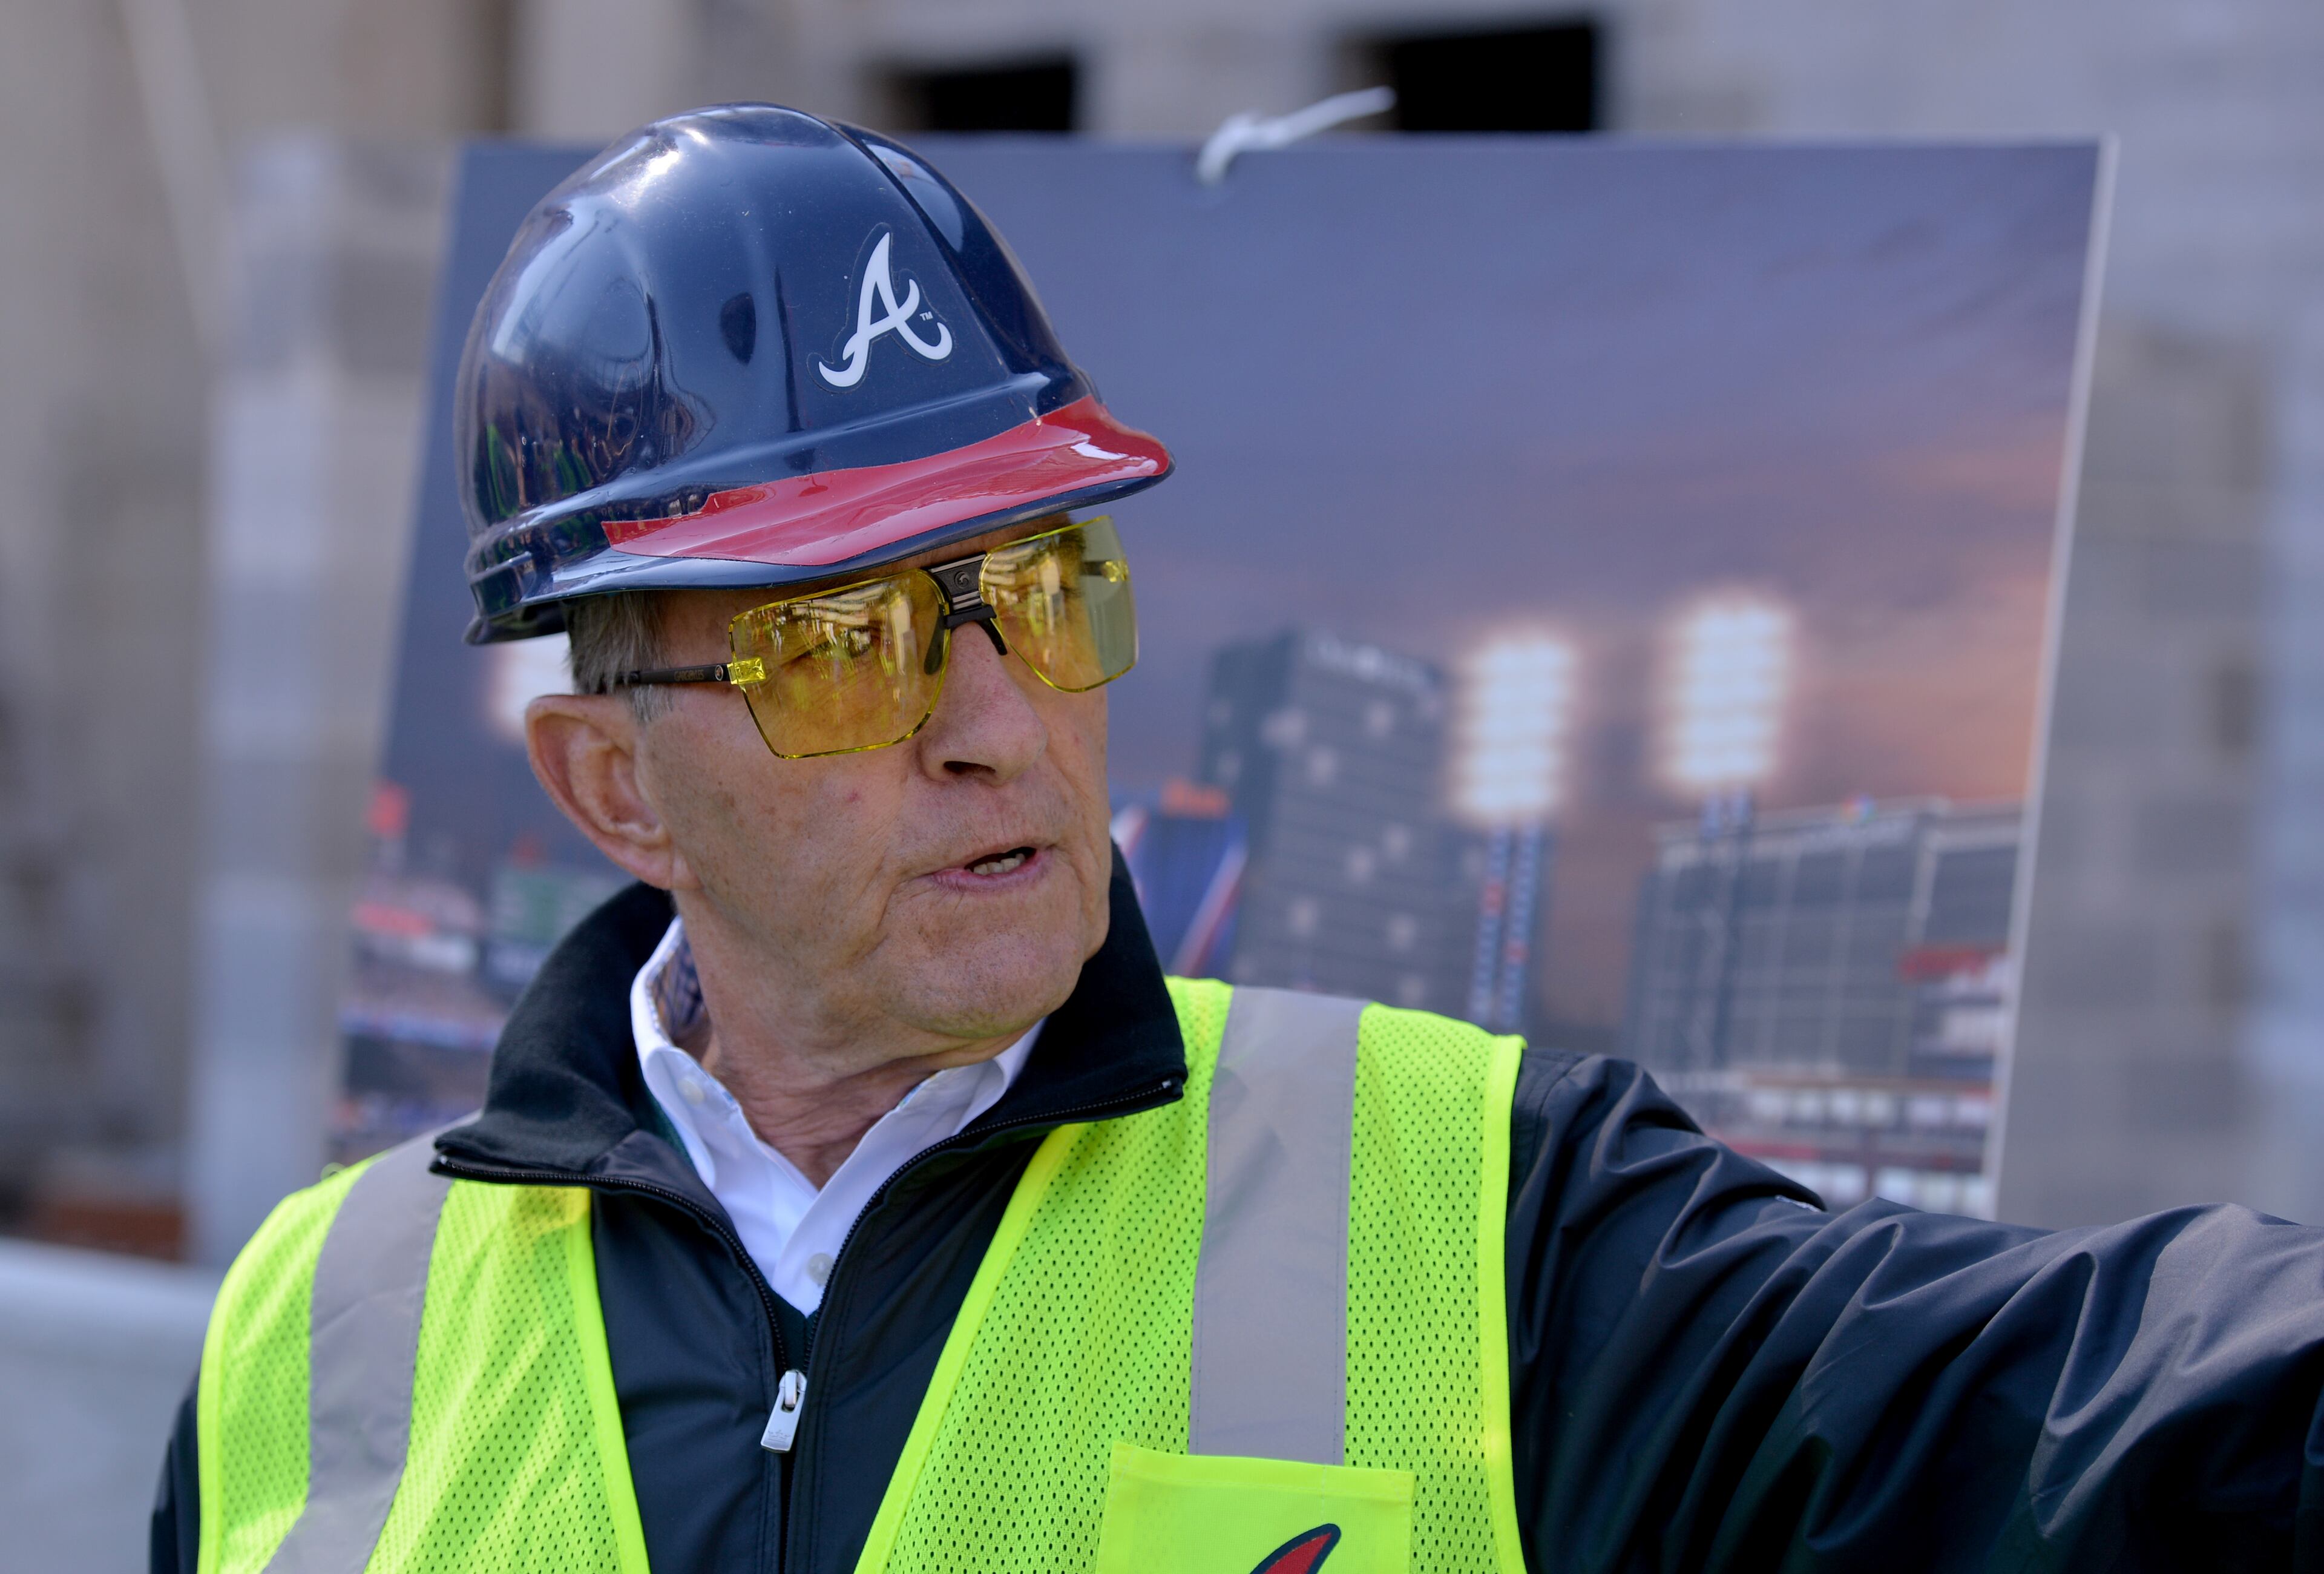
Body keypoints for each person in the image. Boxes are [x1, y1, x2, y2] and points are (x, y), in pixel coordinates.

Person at [156, 104, 2324, 1574]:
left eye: (1045, 599)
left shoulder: (1481, 1230)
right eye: (853, 645)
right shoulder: (311, 1336)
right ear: (615, 790)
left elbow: (2109, 1414)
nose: (1003, 726)